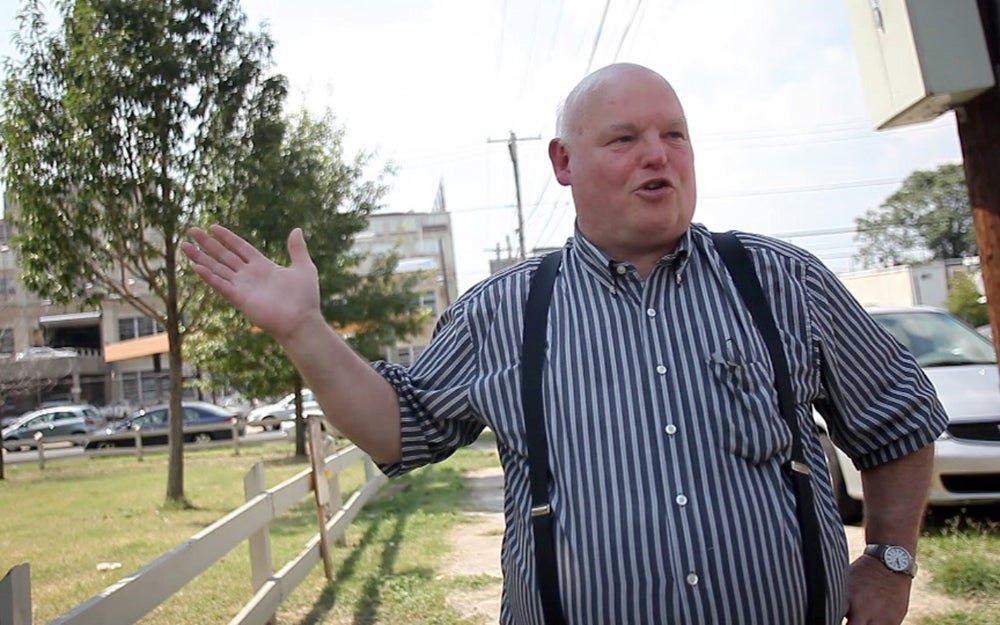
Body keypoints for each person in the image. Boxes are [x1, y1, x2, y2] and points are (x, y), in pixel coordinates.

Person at [181, 62, 948, 625]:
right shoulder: (505, 312)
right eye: (625, 137)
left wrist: (891, 561)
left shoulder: (782, 281)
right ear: (562, 163)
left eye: (673, 134)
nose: (658, 153)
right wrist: (303, 331)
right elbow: (398, 427)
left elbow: (899, 421)